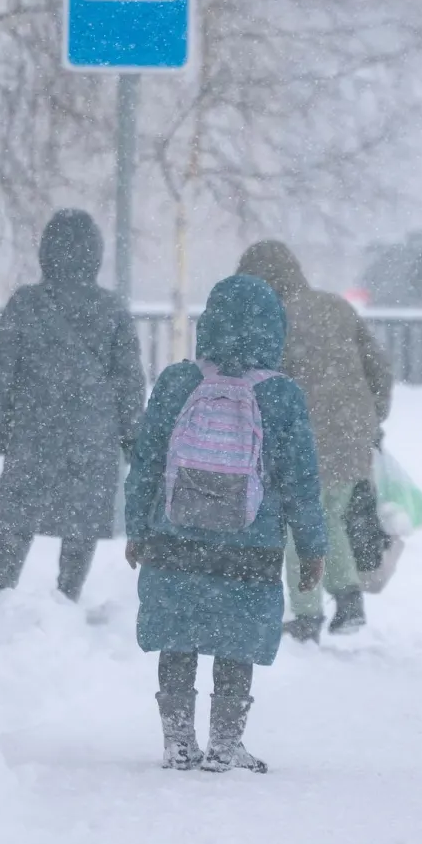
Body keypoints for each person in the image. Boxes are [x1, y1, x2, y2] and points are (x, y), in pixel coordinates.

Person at [125, 275, 326, 773]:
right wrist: (312, 546)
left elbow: (146, 462)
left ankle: (177, 741)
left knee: (179, 632)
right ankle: (224, 744)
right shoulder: (282, 395)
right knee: (236, 638)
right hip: (250, 543)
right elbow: (301, 480)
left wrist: (137, 528)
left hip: (176, 538)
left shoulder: (177, 382)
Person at [0, 209, 145, 601]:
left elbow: (0, 369)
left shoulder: (25, 303)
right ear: (96, 255)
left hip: (33, 428)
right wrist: (130, 434)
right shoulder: (112, 310)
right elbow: (128, 380)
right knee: (81, 520)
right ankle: (67, 594)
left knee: (19, 518)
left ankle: (0, 591)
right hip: (92, 434)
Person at [236, 241, 393, 641]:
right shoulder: (336, 306)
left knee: (296, 527)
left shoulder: (267, 318)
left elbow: (258, 385)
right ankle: (349, 598)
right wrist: (373, 417)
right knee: (331, 517)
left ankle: (307, 617)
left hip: (305, 440)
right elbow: (378, 367)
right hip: (352, 433)